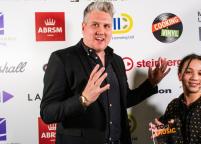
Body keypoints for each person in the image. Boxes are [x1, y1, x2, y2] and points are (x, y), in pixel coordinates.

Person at [40, 1, 170, 144]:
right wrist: (83, 100)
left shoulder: (117, 61)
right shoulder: (62, 59)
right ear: (83, 27)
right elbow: (48, 113)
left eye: (106, 26)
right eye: (95, 24)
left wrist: (150, 83)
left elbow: (124, 100)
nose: (101, 31)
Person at [149, 53, 201, 144]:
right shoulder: (173, 106)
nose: (195, 77)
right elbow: (165, 139)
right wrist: (161, 137)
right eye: (188, 72)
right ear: (180, 76)